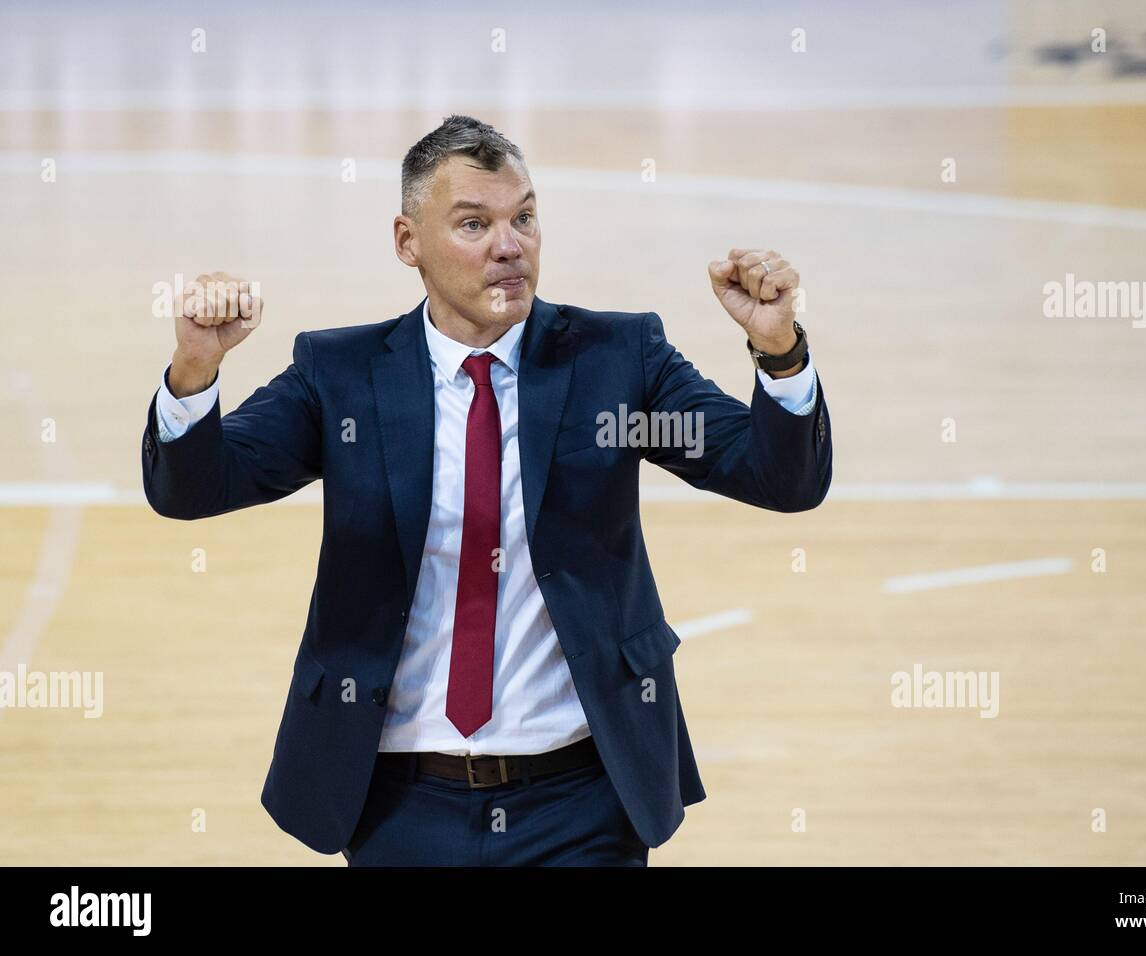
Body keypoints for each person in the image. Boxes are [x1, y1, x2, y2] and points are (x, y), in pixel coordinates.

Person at [141, 114, 832, 865]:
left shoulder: (616, 361)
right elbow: (193, 489)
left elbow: (779, 478)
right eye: (474, 224)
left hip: (584, 802)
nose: (510, 246)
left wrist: (779, 353)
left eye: (524, 218)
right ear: (408, 242)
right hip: (399, 803)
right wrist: (194, 373)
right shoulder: (339, 373)